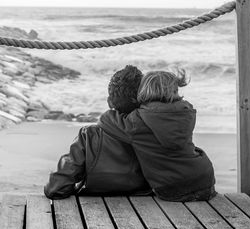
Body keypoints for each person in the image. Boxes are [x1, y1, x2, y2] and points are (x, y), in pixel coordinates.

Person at [98, 69, 216, 202]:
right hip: (205, 180)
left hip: (174, 188)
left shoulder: (137, 121)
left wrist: (111, 106)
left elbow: (106, 120)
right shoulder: (186, 112)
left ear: (143, 91)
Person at [44, 65, 151, 199]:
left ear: (109, 102)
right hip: (145, 200)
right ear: (144, 100)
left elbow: (56, 188)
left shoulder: (89, 135)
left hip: (96, 202)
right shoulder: (156, 132)